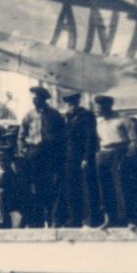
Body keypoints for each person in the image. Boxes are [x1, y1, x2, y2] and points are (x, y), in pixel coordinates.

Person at [18, 86, 66, 227]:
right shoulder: (29, 115)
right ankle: (37, 221)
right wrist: (24, 150)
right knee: (36, 187)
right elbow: (21, 135)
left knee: (51, 187)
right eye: (33, 98)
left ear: (44, 99)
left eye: (38, 98)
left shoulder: (54, 115)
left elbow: (62, 136)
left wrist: (58, 153)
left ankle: (52, 219)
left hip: (50, 154)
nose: (35, 101)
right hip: (34, 153)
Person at [94, 94, 135, 228]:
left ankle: (128, 219)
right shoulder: (98, 122)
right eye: (96, 107)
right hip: (103, 154)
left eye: (99, 107)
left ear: (108, 106)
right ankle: (109, 218)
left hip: (119, 153)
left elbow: (133, 140)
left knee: (121, 185)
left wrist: (128, 153)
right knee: (105, 187)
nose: (97, 110)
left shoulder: (123, 119)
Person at [61, 92, 99, 227]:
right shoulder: (66, 117)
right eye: (68, 103)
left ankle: (91, 218)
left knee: (87, 187)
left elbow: (90, 138)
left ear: (77, 102)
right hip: (69, 156)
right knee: (71, 187)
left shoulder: (86, 116)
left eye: (73, 103)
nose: (70, 106)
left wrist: (86, 157)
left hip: (82, 155)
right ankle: (74, 218)